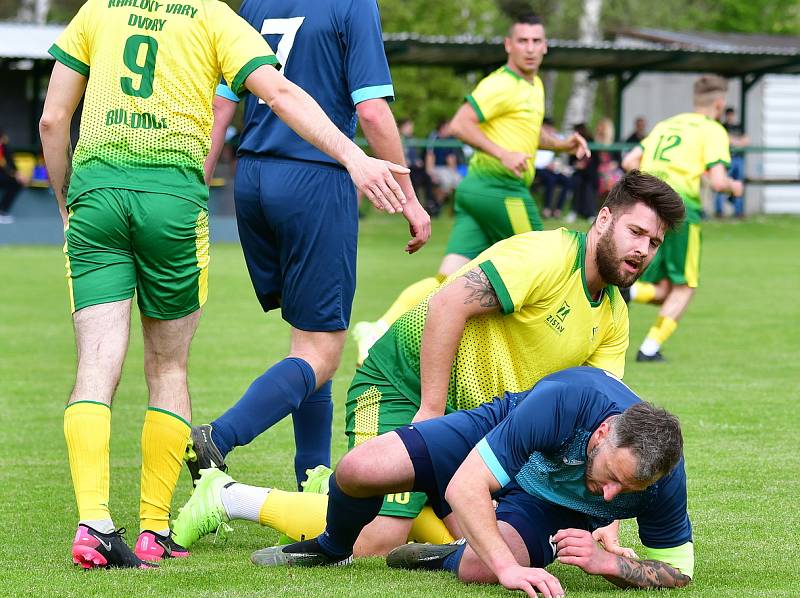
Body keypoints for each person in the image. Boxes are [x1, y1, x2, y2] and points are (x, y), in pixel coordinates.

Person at [39, 0, 410, 570]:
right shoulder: (214, 18)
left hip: (96, 189)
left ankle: (93, 524)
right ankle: (152, 529)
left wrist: (67, 200)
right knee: (168, 363)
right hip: (174, 199)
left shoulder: (98, 6)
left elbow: (53, 119)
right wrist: (356, 156)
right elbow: (282, 92)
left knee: (97, 362)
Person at [175, 173, 681, 558]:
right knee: (380, 536)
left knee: (482, 533)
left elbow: (608, 426)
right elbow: (447, 304)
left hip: (479, 418)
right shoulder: (547, 256)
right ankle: (227, 496)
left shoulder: (614, 312)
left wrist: (605, 518)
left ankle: (339, 488)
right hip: (402, 383)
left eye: (654, 243)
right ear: (604, 219)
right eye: (636, 231)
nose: (642, 249)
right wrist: (430, 408)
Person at [188, 0, 430, 491]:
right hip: (315, 180)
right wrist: (409, 197)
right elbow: (373, 113)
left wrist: (202, 186)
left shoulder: (257, 0)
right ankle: (221, 437)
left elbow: (222, 109)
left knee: (307, 340)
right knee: (323, 349)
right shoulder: (355, 1)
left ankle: (314, 479)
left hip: (254, 180)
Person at [246, 367, 694, 598]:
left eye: (628, 491)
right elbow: (466, 487)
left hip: (549, 505)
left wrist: (611, 565)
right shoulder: (565, 403)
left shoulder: (663, 478)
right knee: (359, 469)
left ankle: (450, 554)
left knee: (478, 569)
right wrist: (510, 570)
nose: (613, 497)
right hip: (503, 431)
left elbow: (680, 574)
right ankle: (332, 548)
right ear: (601, 435)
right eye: (611, 477)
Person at [352, 13, 590, 364]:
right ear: (508, 45)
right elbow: (460, 124)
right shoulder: (501, 84)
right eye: (522, 41)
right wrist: (502, 153)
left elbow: (528, 131)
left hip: (476, 191)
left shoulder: (533, 86)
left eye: (536, 41)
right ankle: (561, 356)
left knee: (447, 279)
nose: (530, 48)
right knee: (554, 264)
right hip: (500, 189)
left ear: (545, 46)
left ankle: (378, 329)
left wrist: (562, 145)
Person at [622, 75, 743, 362]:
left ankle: (632, 292)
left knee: (665, 289)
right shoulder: (713, 130)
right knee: (685, 286)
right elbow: (718, 181)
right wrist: (734, 186)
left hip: (647, 205)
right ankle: (649, 349)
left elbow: (629, 162)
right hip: (680, 208)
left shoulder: (667, 125)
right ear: (719, 103)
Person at [714, 107, 749, 218]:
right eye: (728, 115)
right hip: (727, 159)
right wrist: (737, 141)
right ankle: (719, 211)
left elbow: (746, 141)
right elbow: (726, 139)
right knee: (721, 183)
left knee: (738, 184)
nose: (730, 117)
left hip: (738, 159)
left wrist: (734, 141)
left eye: (732, 115)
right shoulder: (722, 127)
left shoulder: (739, 126)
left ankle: (738, 211)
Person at [425, 118, 463, 212]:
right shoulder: (434, 137)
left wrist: (454, 172)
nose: (450, 129)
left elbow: (451, 158)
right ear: (442, 128)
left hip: (447, 168)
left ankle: (455, 209)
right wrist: (430, 173)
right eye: (448, 127)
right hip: (436, 167)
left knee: (460, 182)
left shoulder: (451, 139)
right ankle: (437, 205)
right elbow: (430, 156)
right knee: (446, 182)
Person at [0, 129, 28, 223]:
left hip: (4, 177)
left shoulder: (5, 148)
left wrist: (17, 175)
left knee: (16, 183)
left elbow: (10, 166)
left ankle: (2, 211)